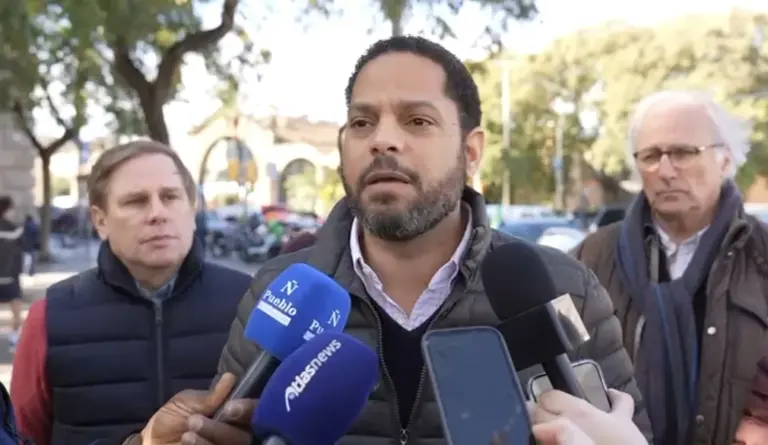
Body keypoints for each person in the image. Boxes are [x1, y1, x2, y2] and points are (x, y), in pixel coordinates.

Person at [123, 35, 650, 444]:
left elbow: (624, 428)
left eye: (417, 120)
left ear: (471, 152)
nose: (383, 140)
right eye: (362, 122)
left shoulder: (562, 287)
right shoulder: (279, 290)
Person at [10, 141, 253, 445]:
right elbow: (20, 437)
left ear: (192, 210)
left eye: (170, 197)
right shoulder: (49, 317)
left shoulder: (251, 303)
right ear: (101, 221)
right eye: (136, 201)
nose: (157, 213)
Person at [572, 90, 768, 445]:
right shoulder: (590, 258)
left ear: (725, 160)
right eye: (650, 156)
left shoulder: (762, 257)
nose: (664, 170)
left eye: (682, 153)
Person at [0, 196, 24, 348]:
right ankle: (14, 339)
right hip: (10, 276)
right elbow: (20, 255)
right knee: (16, 311)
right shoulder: (16, 230)